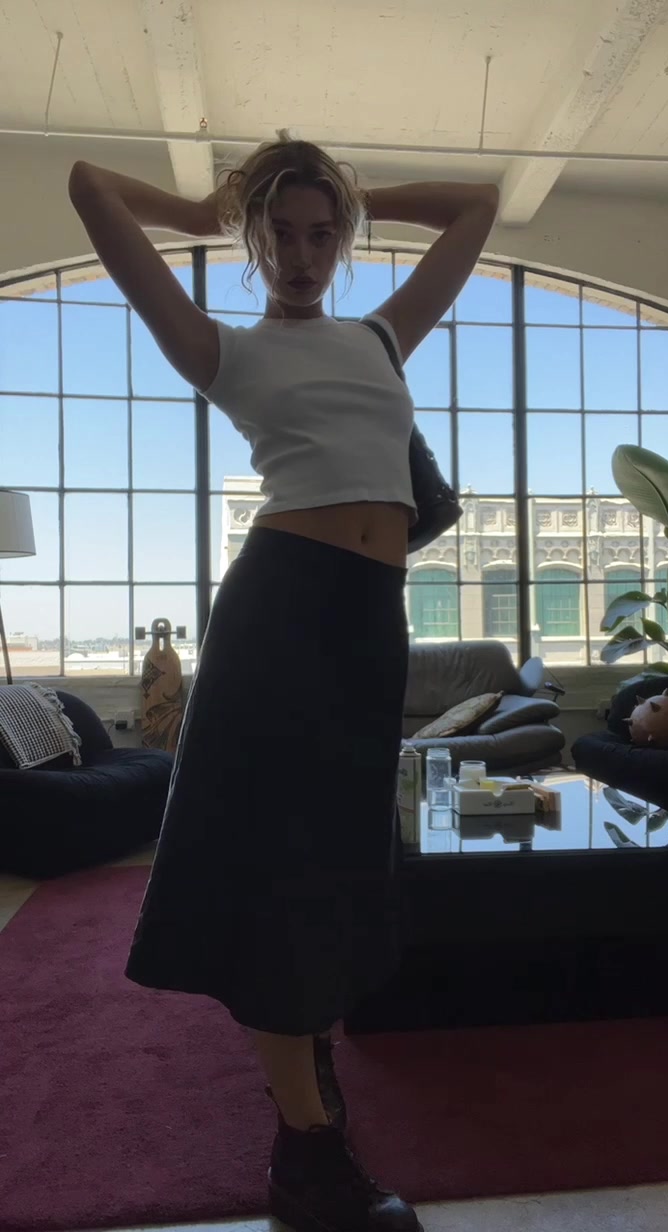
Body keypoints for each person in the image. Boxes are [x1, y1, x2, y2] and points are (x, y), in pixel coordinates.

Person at [68, 132, 498, 1232]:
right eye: (282, 234)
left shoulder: (380, 336)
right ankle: (307, 1160)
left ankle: (306, 1084)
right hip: (281, 617)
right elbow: (89, 185)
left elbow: (477, 204)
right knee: (278, 867)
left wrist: (347, 188)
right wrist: (203, 211)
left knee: (334, 860)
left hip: (368, 623)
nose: (303, 256)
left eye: (322, 234)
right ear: (255, 240)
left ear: (341, 240)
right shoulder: (219, 347)